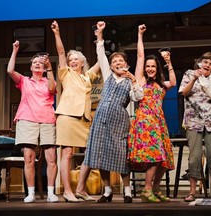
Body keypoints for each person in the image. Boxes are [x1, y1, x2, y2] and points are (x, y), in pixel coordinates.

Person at [81, 21, 143, 204]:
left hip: (119, 121)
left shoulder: (129, 81)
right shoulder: (108, 76)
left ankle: (127, 191)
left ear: (126, 65)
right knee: (100, 155)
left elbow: (138, 96)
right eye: (114, 61)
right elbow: (100, 53)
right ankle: (107, 191)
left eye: (120, 61)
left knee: (120, 156)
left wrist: (133, 80)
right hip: (100, 119)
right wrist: (99, 34)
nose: (117, 63)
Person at [51, 21, 100, 202]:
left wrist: (99, 38)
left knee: (92, 152)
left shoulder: (87, 77)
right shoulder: (66, 74)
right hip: (67, 117)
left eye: (75, 60)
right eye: (71, 60)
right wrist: (57, 33)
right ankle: (67, 191)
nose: (72, 62)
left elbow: (101, 62)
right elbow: (61, 53)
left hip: (84, 119)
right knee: (67, 153)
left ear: (82, 62)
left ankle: (80, 188)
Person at [127, 24, 176, 203]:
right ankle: (146, 190)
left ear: (157, 68)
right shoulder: (140, 80)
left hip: (159, 123)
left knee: (166, 160)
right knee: (155, 157)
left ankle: (155, 189)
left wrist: (168, 62)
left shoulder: (161, 85)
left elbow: (173, 81)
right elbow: (140, 55)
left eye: (153, 66)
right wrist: (140, 34)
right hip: (145, 122)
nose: (150, 68)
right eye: (148, 66)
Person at [7, 41, 59, 203]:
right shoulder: (24, 81)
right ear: (31, 67)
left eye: (40, 63)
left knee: (51, 158)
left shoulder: (48, 80)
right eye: (34, 63)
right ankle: (30, 193)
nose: (37, 65)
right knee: (28, 158)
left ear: (44, 68)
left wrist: (49, 67)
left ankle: (51, 193)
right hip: (27, 120)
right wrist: (15, 51)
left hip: (47, 120)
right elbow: (9, 70)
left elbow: (52, 89)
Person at [178, 52, 211, 202]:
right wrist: (194, 79)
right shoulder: (189, 73)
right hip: (193, 121)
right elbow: (184, 92)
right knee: (194, 157)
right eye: (205, 62)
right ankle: (192, 192)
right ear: (199, 62)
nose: (207, 65)